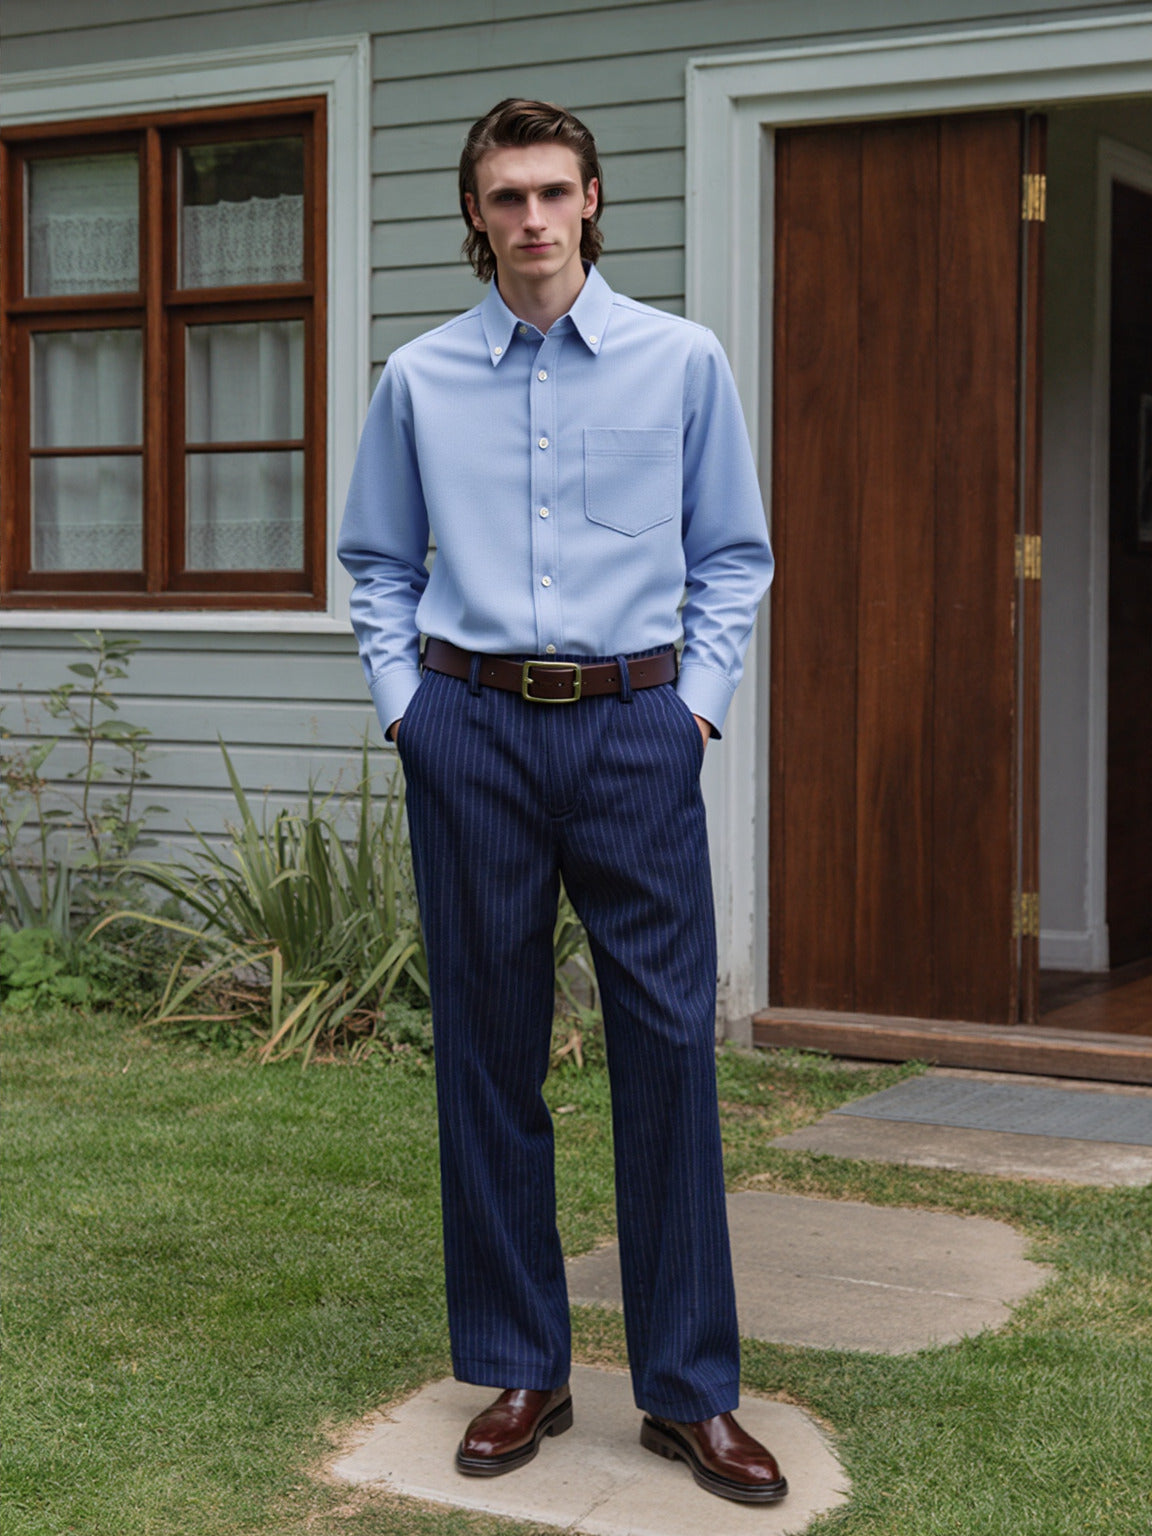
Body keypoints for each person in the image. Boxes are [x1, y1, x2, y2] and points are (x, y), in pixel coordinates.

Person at [337, 98, 783, 1507]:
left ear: (593, 202)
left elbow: (734, 555)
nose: (530, 219)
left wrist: (692, 711)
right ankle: (521, 1362)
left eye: (552, 192)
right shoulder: (416, 379)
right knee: (487, 1047)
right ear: (475, 217)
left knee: (667, 1049)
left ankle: (690, 1392)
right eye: (504, 197)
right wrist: (411, 712)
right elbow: (374, 565)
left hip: (634, 733)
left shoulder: (681, 364)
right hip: (467, 730)